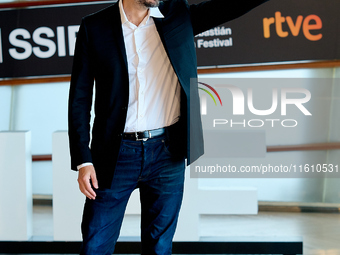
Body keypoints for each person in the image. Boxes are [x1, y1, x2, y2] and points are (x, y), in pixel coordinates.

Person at [68, 0, 269, 254]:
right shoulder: (94, 26)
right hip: (114, 155)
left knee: (159, 247)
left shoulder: (178, 15)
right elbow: (80, 97)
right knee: (95, 246)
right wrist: (83, 160)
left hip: (167, 153)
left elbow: (228, 6)